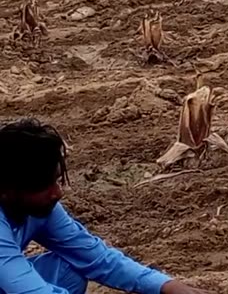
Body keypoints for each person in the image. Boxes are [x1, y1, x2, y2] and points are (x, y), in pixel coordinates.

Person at [0, 119, 210, 294]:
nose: (57, 193)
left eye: (56, 181)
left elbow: (96, 257)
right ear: (6, 190)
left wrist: (167, 286)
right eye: (43, 185)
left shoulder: (40, 208)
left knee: (69, 267)